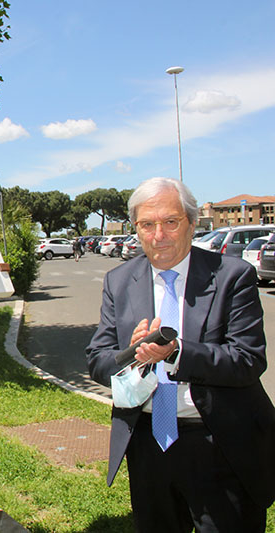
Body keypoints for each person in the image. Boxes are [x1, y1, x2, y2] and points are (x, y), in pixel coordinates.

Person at [86, 177, 275, 532]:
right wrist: (131, 353)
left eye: (171, 222)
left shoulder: (233, 276)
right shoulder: (119, 281)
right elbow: (98, 359)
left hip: (219, 444)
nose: (160, 235)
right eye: (147, 224)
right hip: (147, 444)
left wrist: (176, 352)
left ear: (191, 223)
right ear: (136, 229)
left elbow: (248, 359)